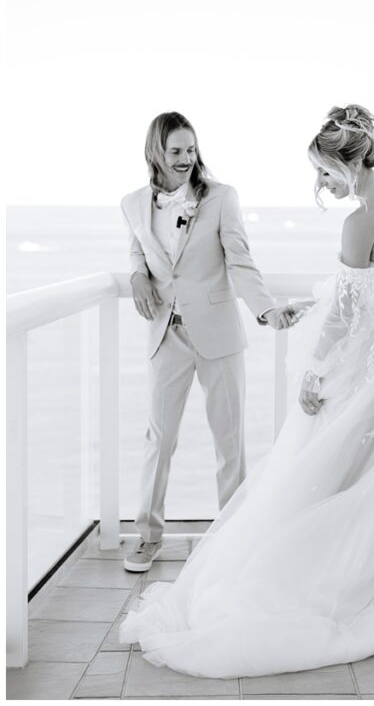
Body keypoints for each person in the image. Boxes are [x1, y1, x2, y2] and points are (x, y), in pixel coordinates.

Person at [120, 105, 374, 678]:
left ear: (348, 162)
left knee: (336, 464)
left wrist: (315, 374)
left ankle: (339, 579)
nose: (321, 184)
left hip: (372, 357)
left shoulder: (360, 220)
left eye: (323, 173)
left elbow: (347, 313)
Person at [120, 111, 293, 573]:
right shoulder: (132, 203)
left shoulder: (221, 198)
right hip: (165, 334)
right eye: (175, 151)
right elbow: (139, 246)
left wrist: (265, 308)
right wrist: (136, 274)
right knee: (159, 439)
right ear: (156, 152)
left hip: (218, 333)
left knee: (229, 441)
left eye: (190, 150)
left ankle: (233, 540)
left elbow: (240, 259)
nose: (185, 159)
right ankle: (147, 536)